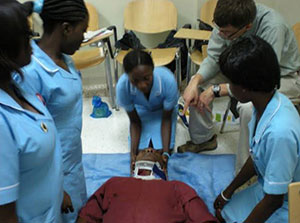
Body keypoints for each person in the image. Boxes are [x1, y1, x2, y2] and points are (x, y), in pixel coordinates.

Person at [179, 0, 300, 169]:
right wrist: (195, 80)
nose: (220, 34)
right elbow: (214, 58)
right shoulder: (227, 21)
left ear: (247, 27)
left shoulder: (273, 27)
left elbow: (261, 75)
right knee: (199, 85)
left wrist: (216, 90)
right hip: (241, 68)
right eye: (218, 29)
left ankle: (246, 169)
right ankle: (203, 140)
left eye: (226, 33)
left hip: (278, 77)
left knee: (249, 108)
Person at [213, 36, 300, 223]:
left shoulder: (280, 132)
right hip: (267, 189)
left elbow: (274, 200)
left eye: (230, 82)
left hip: (287, 203)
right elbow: (257, 156)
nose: (227, 86)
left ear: (244, 88)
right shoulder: (264, 104)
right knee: (222, 213)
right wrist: (228, 191)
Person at [16, 0, 89, 222]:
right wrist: (58, 189)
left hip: (71, 162)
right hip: (49, 173)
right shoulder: (32, 72)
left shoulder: (65, 60)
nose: (84, 38)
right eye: (82, 31)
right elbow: (31, 141)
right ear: (66, 28)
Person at [0, 0, 63, 222]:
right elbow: (4, 214)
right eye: (27, 35)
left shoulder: (19, 84)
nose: (33, 41)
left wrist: (58, 190)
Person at [76, 148, 219, 223]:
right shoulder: (114, 183)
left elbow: (202, 218)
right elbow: (87, 215)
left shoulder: (178, 187)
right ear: (133, 165)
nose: (150, 150)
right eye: (143, 151)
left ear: (164, 168)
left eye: (156, 151)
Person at [116, 50, 178, 171]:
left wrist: (166, 153)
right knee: (141, 154)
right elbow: (134, 121)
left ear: (153, 69)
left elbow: (166, 119)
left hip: (163, 113)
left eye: (146, 78)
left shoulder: (167, 80)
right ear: (127, 76)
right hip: (140, 113)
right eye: (135, 81)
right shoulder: (123, 87)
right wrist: (132, 154)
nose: (142, 85)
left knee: (159, 152)